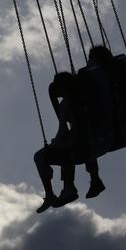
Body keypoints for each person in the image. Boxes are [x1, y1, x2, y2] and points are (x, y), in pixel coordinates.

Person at [34, 71, 105, 213]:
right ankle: (81, 183)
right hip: (92, 146)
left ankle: (52, 194)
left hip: (80, 149)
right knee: (66, 147)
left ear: (63, 88)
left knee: (40, 156)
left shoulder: (68, 104)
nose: (57, 94)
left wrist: (55, 144)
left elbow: (65, 133)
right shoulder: (86, 99)